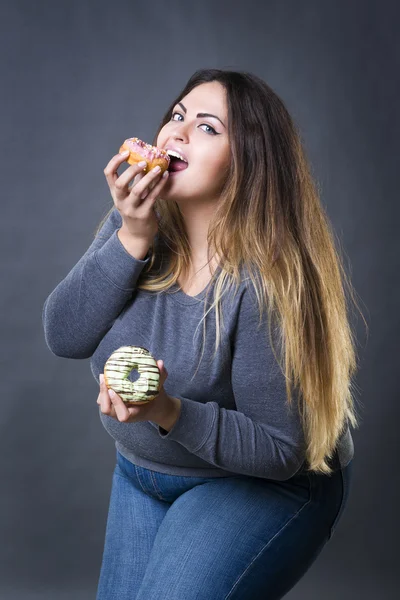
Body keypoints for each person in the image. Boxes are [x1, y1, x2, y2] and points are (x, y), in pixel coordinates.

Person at [42, 68, 364, 600]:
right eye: (177, 116)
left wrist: (165, 410)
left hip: (264, 484)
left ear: (249, 163)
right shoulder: (136, 224)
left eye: (209, 127)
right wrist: (131, 237)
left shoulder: (266, 279)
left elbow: (282, 449)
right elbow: (65, 336)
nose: (179, 132)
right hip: (142, 473)